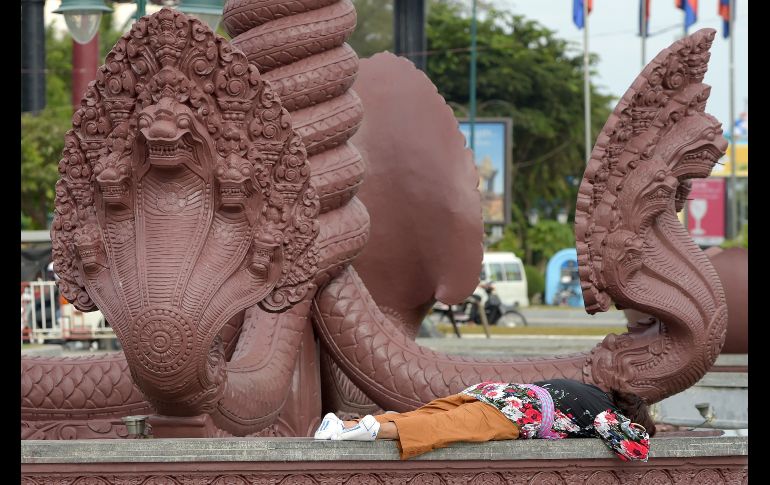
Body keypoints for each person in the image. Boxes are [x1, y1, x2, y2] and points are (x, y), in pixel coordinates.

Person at [314, 379, 654, 461]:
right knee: (438, 429)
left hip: (492, 391)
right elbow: (637, 450)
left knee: (424, 415)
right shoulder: (606, 415)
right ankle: (364, 431)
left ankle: (341, 425)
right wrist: (639, 428)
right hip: (515, 415)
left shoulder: (589, 390)